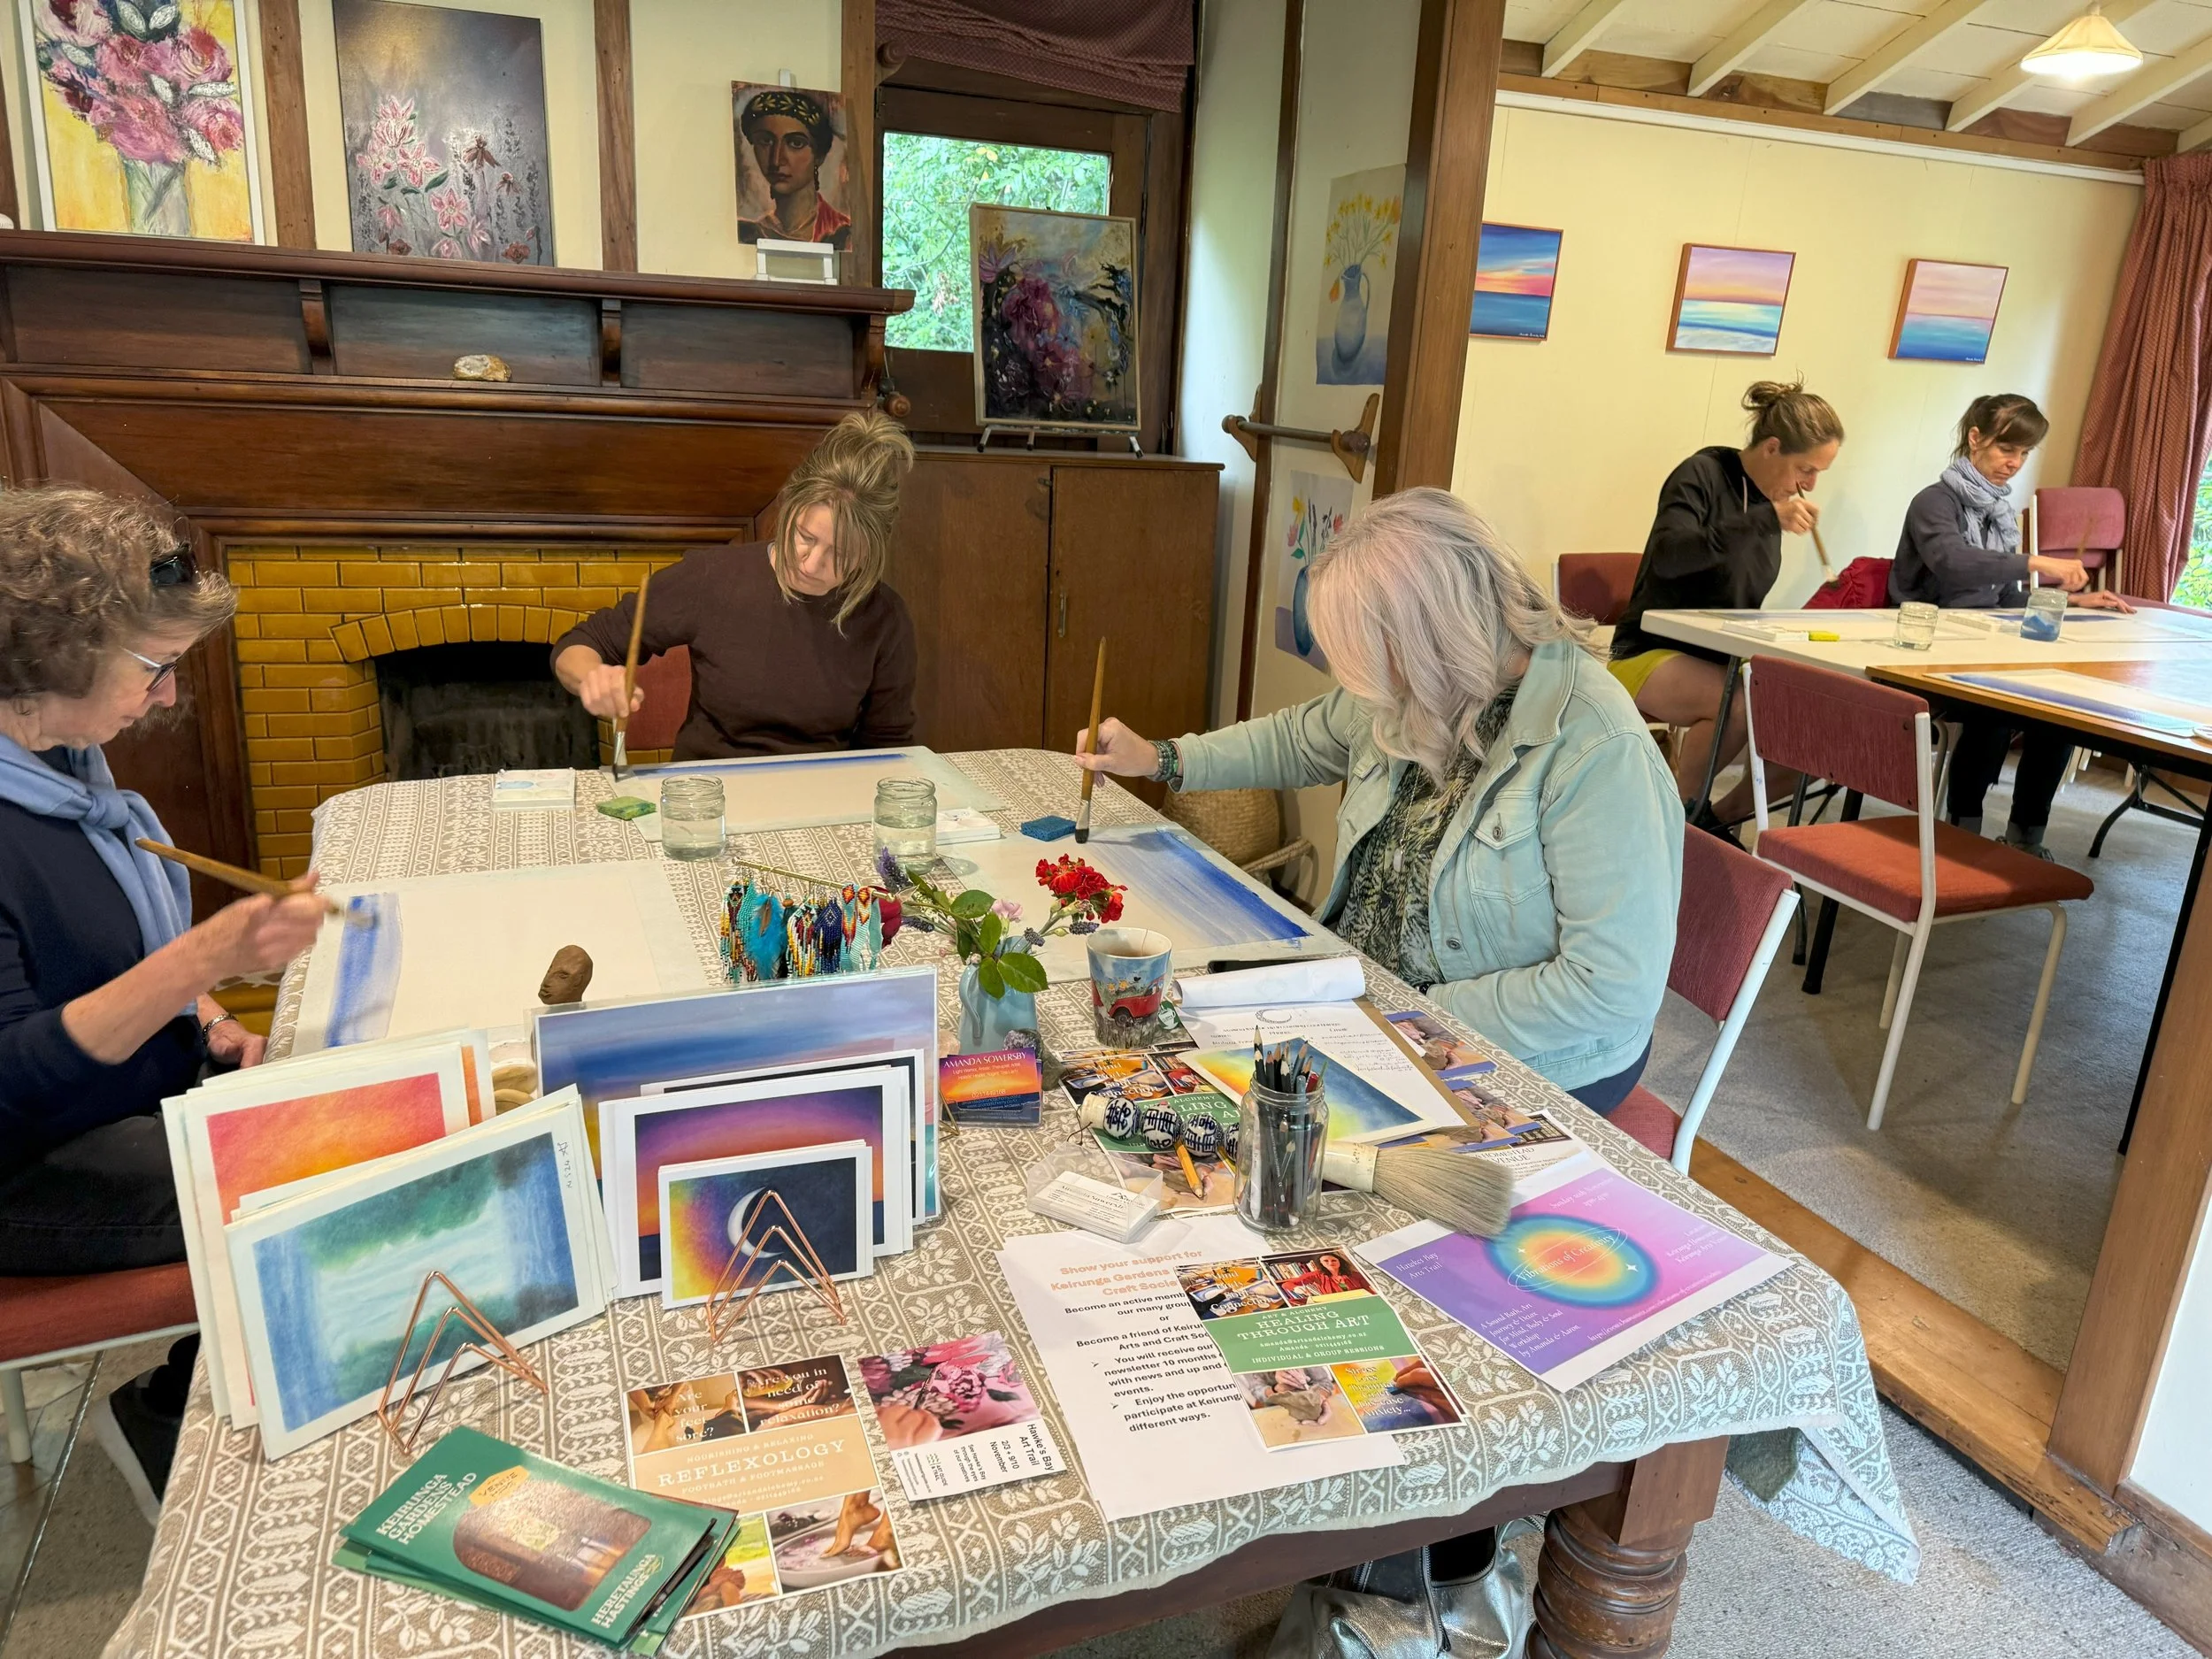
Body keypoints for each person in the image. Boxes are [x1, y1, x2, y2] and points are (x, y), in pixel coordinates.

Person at [1077, 488, 1683, 1110]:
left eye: (1370, 661)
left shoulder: (1597, 748)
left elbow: (1609, 989)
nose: (1360, 689)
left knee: (1258, 1140)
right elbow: (1298, 738)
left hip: (1517, 1048)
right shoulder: (1426, 683)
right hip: (1360, 994)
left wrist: (1412, 1010)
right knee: (1159, 1061)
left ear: (1434, 638)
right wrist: (1161, 758)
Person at [0, 487, 326, 1519]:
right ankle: (170, 1410)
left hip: (116, 1106)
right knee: (309, 1186)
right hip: (22, 1162)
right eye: (152, 667)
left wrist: (216, 1025)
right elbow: (13, 1074)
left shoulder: (61, 767)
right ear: (50, 655)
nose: (172, 694)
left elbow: (93, 969)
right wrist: (198, 964)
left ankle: (205, 1398)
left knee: (350, 1119)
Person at [551, 411, 918, 758]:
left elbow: (887, 745)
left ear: (872, 552)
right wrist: (593, 679)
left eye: (841, 555)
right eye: (805, 536)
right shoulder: (712, 578)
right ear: (787, 506)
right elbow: (580, 644)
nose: (811, 563)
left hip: (818, 792)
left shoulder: (884, 617)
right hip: (710, 793)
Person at [1890, 393, 2133, 856]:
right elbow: (1953, 563)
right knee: (1996, 705)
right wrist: (2033, 562)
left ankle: (2026, 837)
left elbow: (2002, 599)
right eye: (2007, 449)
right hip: (1928, 643)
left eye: (2024, 453)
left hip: (1980, 640)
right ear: (1974, 438)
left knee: (2060, 710)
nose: (2015, 463)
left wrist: (2076, 600)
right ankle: (1962, 831)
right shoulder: (1934, 502)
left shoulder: (1998, 512)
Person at [1610, 380, 1845, 820]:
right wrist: (1761, 520)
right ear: (1772, 447)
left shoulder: (1771, 506)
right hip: (1648, 652)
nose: (1809, 486)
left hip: (1722, 662)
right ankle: (1673, 821)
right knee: (1734, 705)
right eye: (1805, 470)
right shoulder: (1703, 475)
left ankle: (1716, 823)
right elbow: (1670, 556)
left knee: (1817, 737)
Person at [736, 88, 851, 250]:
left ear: (819, 155)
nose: (776, 160)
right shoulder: (749, 232)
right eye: (765, 141)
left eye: (796, 143)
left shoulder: (841, 233)